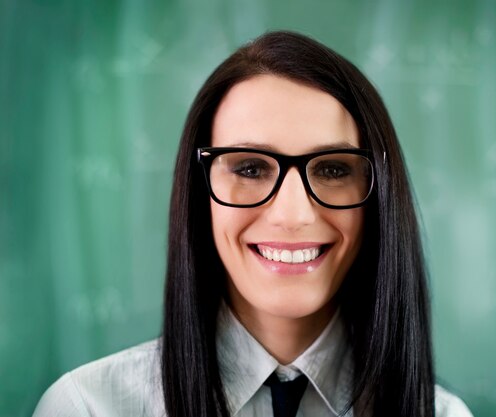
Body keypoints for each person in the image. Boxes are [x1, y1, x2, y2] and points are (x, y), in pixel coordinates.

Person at [33, 31, 473, 417]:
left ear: (378, 195)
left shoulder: (445, 415)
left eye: (334, 169)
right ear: (199, 192)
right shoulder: (87, 408)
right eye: (248, 168)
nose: (293, 214)